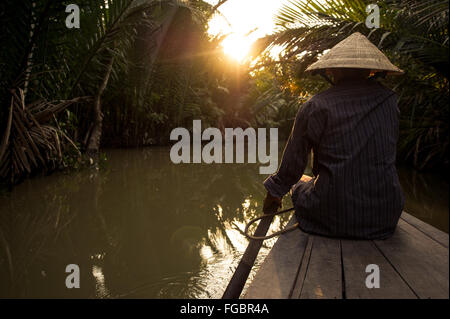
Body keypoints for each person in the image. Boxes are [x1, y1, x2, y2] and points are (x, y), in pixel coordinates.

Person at [262, 32, 405, 240]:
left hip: (331, 216)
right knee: (309, 182)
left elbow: (291, 167)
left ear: (332, 71)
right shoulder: (390, 101)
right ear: (370, 71)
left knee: (299, 184)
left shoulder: (316, 106)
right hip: (386, 215)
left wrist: (274, 193)